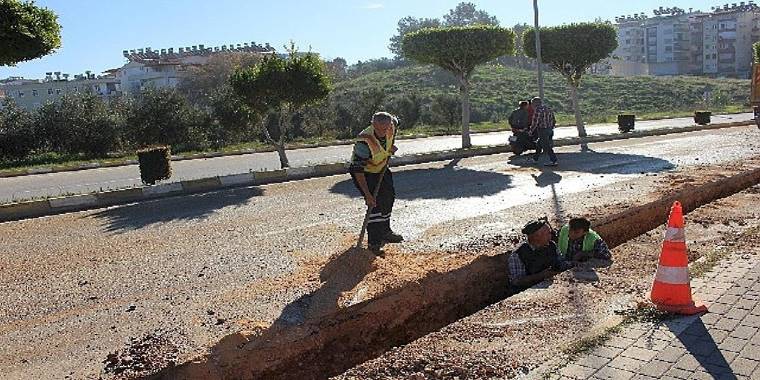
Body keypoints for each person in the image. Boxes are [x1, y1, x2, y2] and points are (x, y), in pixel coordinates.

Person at [349, 111, 404, 252]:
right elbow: (357, 170)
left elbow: (397, 119)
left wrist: (390, 148)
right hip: (365, 173)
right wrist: (367, 194)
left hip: (381, 168)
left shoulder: (392, 125)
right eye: (379, 129)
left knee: (388, 198)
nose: (382, 132)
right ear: (372, 124)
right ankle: (374, 243)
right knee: (375, 206)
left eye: (385, 129)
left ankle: (385, 231)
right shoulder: (364, 141)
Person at [507, 219, 571, 292]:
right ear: (536, 237)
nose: (551, 236)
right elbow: (516, 281)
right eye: (548, 234)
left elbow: (561, 261)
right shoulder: (518, 254)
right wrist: (541, 275)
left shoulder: (551, 245)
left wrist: (573, 264)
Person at [530, 97, 558, 167]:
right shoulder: (548, 108)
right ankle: (535, 159)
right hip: (549, 129)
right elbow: (554, 120)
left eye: (532, 103)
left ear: (535, 103)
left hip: (542, 130)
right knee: (539, 144)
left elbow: (535, 122)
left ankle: (553, 160)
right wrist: (551, 127)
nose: (532, 105)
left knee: (546, 146)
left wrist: (531, 131)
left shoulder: (537, 110)